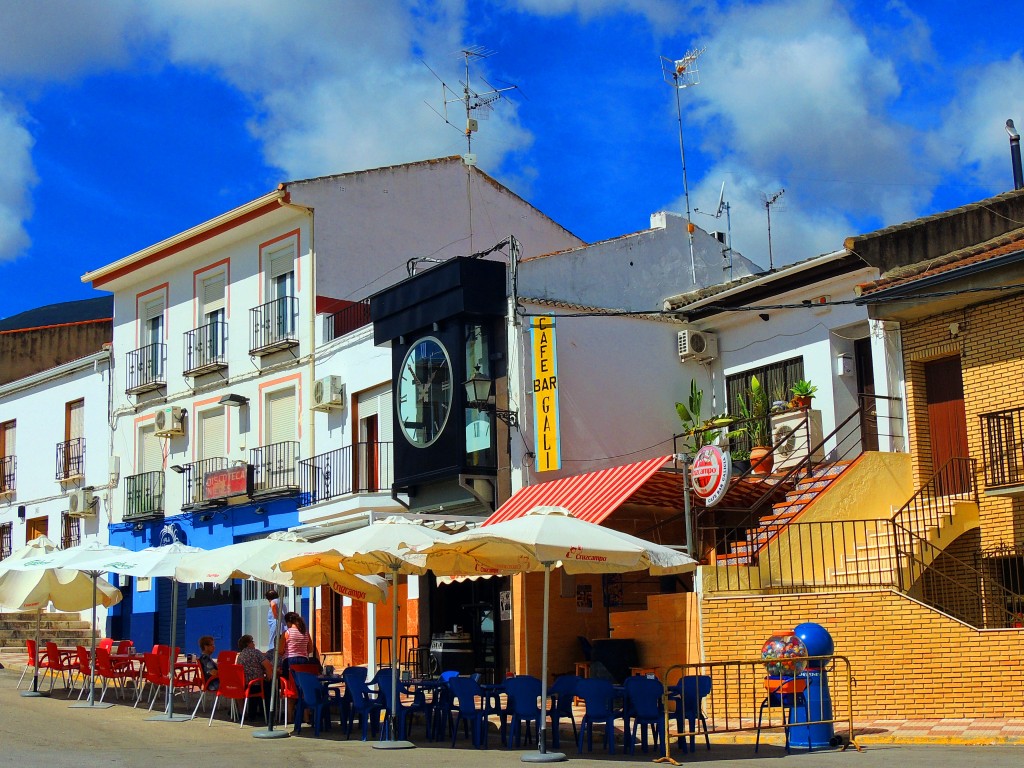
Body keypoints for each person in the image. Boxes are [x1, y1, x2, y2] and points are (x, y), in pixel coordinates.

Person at [278, 612, 314, 679]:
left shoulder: (286, 633)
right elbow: (310, 649)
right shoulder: (305, 633)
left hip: (289, 660)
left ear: (288, 622)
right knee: (302, 682)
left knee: (290, 683)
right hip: (303, 660)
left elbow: (280, 651)